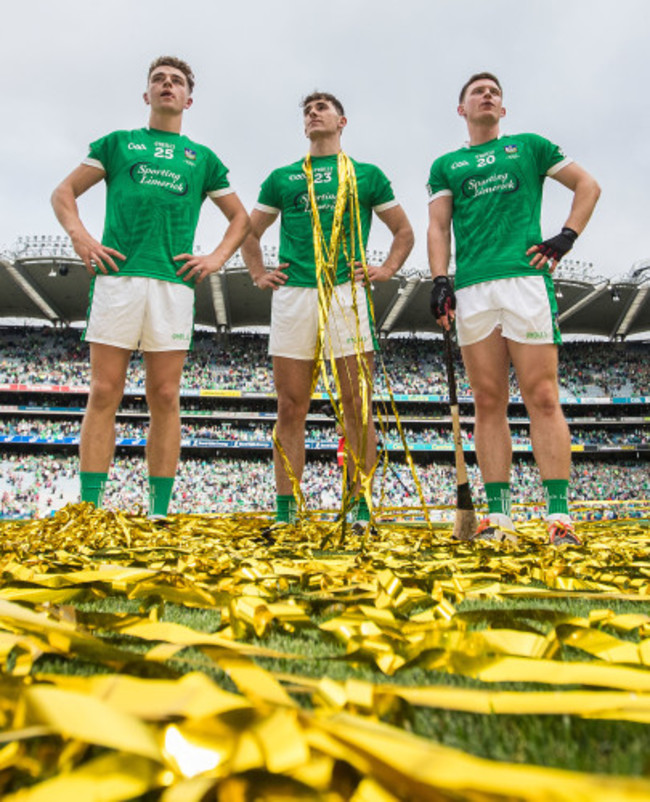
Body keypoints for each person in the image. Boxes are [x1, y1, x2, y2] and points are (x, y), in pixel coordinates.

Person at [51, 56, 250, 516]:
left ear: (188, 99)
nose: (167, 85)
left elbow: (240, 218)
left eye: (176, 81)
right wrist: (82, 238)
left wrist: (217, 257)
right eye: (159, 80)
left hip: (173, 284)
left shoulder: (202, 159)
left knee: (164, 395)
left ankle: (158, 511)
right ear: (146, 95)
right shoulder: (117, 144)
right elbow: (63, 193)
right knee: (104, 391)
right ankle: (89, 509)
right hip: (117, 277)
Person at [427, 72, 600, 545]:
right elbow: (438, 227)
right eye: (477, 92)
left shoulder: (530, 146)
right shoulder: (446, 165)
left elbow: (588, 186)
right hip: (475, 288)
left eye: (495, 92)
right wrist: (440, 279)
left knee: (542, 396)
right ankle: (497, 516)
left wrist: (565, 237)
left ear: (502, 110)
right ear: (461, 109)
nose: (487, 95)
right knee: (488, 401)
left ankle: (559, 516)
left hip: (525, 280)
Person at [241, 92, 414, 530]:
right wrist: (259, 272)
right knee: (290, 405)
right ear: (304, 126)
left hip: (346, 293)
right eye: (307, 110)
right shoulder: (282, 177)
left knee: (357, 406)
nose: (313, 113)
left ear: (342, 121)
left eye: (322, 108)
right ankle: (288, 512)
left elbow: (404, 231)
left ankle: (360, 507)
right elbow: (249, 231)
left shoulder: (366, 175)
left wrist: (387, 268)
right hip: (294, 293)